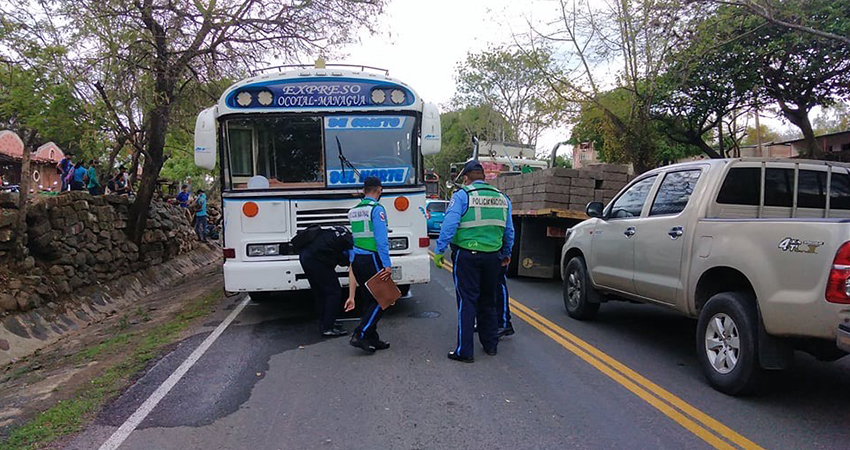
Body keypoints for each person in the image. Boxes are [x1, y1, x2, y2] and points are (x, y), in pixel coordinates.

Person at [434, 160, 514, 363]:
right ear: (484, 177)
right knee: (488, 301)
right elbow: (509, 231)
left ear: (466, 178)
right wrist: (506, 253)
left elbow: (450, 224)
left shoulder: (463, 196)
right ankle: (491, 345)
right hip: (493, 257)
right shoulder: (503, 198)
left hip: (467, 256)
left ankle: (464, 351)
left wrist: (439, 250)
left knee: (467, 301)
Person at [347, 176, 393, 354]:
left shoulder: (354, 210)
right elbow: (381, 240)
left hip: (358, 260)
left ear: (364, 190)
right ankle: (360, 334)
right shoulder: (377, 209)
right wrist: (386, 264)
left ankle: (372, 338)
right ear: (379, 190)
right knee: (384, 299)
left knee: (368, 300)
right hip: (372, 258)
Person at [294, 225, 354, 337]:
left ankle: (325, 322)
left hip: (305, 256)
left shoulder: (339, 231)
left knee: (320, 292)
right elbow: (352, 265)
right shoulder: (350, 243)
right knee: (334, 292)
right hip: (317, 260)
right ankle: (328, 327)